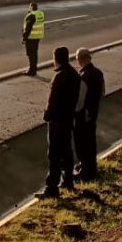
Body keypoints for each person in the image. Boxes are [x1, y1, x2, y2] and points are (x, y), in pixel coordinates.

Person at [37, 47, 81, 198]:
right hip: (68, 118)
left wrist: (47, 115)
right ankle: (68, 180)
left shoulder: (59, 76)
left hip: (57, 120)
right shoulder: (74, 74)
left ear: (56, 58)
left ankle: (51, 188)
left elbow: (53, 100)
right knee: (67, 151)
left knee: (54, 154)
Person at [73, 48, 105, 181]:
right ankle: (91, 166)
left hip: (82, 115)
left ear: (79, 59)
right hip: (93, 112)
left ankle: (85, 170)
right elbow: (102, 92)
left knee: (81, 143)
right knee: (91, 141)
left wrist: (75, 113)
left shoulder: (83, 76)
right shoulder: (98, 73)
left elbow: (79, 100)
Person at [22, 2, 45, 76]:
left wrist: (24, 38)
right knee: (34, 54)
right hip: (37, 36)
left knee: (31, 54)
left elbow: (28, 28)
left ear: (31, 7)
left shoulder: (31, 15)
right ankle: (33, 69)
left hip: (31, 37)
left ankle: (31, 71)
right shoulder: (40, 13)